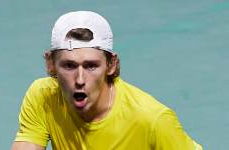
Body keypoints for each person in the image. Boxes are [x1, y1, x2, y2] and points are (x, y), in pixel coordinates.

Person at [11, 11, 202, 150]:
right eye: (69, 66)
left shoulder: (153, 120)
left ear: (111, 65)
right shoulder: (43, 97)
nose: (79, 79)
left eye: (91, 66)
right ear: (51, 65)